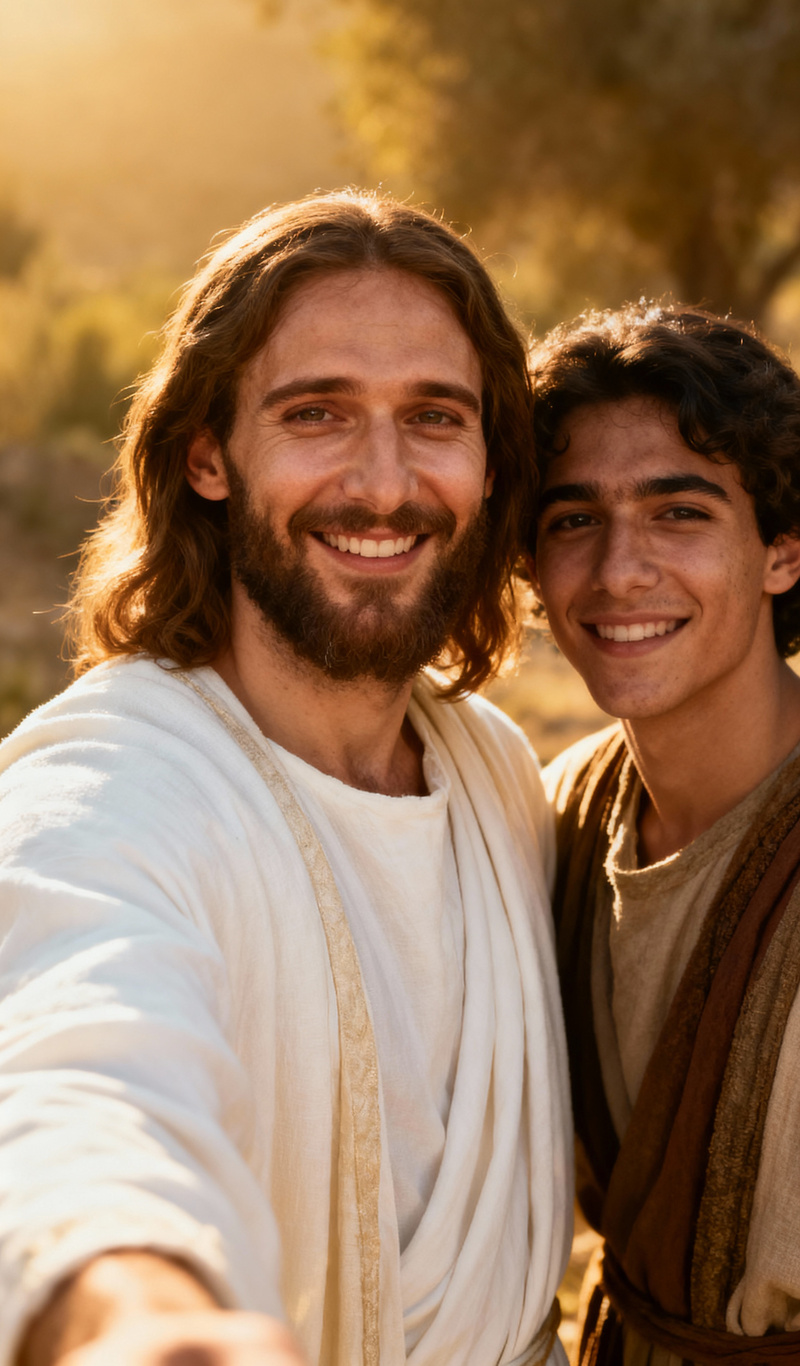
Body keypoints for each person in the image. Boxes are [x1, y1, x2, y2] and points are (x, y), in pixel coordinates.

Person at [0, 191, 573, 1366]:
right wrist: (133, 1311)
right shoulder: (116, 781)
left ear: (488, 461)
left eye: (433, 417)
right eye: (316, 414)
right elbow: (77, 1067)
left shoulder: (499, 783)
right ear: (208, 454)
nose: (381, 482)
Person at [528, 303, 800, 1366]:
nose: (617, 572)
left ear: (780, 551)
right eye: (571, 520)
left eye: (677, 514)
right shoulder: (551, 822)